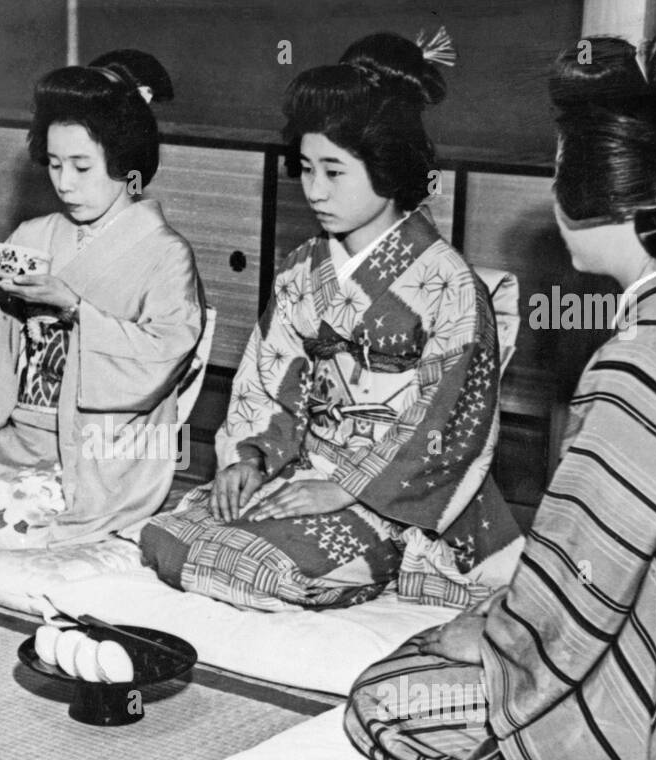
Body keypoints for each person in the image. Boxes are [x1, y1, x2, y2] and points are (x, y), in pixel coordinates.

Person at [345, 22, 656, 760]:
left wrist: (492, 632)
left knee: (382, 705)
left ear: (607, 199)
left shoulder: (648, 360)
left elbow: (579, 590)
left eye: (558, 171)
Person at [140, 32, 519, 611]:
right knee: (170, 536)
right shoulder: (303, 270)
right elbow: (268, 380)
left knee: (257, 567)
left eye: (334, 172)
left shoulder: (450, 284)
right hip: (306, 465)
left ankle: (375, 555)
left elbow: (450, 420)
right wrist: (248, 459)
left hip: (394, 493)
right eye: (306, 169)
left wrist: (345, 488)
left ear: (388, 169)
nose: (314, 190)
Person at [0, 51, 206, 549]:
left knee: (20, 525)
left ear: (124, 162)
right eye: (55, 164)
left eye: (82, 166)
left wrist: (73, 307)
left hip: (100, 448)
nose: (64, 183)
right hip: (23, 433)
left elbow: (167, 351)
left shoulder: (165, 253)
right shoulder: (35, 233)